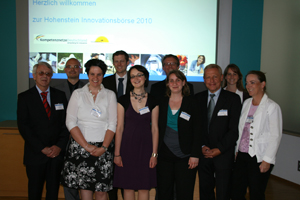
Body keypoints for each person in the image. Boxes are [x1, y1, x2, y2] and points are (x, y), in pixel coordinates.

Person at [61, 59, 117, 200]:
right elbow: (70, 122)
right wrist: (86, 146)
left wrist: (103, 148)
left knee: (101, 191)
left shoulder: (110, 95)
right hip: (80, 148)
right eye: (92, 74)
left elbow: (112, 123)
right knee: (85, 191)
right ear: (87, 74)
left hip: (103, 149)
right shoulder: (78, 94)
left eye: (99, 74)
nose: (95, 78)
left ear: (103, 75)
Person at [17, 62, 69, 200]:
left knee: (53, 192)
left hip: (56, 154)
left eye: (48, 73)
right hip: (35, 154)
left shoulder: (60, 96)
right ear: (34, 76)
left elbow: (66, 124)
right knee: (35, 191)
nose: (44, 76)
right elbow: (24, 127)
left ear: (51, 76)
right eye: (41, 73)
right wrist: (42, 148)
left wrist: (59, 146)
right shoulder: (24, 97)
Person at [231, 71, 282, 200]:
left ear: (262, 84)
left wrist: (267, 160)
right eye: (247, 83)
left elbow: (275, 136)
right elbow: (242, 129)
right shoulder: (246, 103)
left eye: (252, 82)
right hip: (242, 155)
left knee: (256, 193)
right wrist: (237, 149)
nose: (248, 86)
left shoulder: (272, 107)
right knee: (236, 191)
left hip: (259, 157)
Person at [195, 64, 242, 200]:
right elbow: (196, 128)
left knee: (223, 192)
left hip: (223, 154)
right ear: (204, 79)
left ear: (221, 78)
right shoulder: (197, 99)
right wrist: (202, 146)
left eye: (215, 76)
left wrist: (219, 149)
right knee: (205, 191)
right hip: (204, 154)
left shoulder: (233, 99)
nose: (212, 80)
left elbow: (234, 130)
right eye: (208, 77)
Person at [113, 65, 159, 200]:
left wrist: (154, 154)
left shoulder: (153, 100)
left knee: (144, 186)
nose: (136, 78)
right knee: (127, 186)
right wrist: (117, 154)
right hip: (126, 148)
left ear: (145, 77)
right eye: (132, 76)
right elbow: (119, 128)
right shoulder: (122, 100)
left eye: (139, 75)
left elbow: (155, 128)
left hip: (146, 149)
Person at [157, 70, 201, 200]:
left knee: (185, 193)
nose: (174, 83)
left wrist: (195, 154)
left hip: (186, 156)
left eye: (178, 80)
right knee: (164, 192)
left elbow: (198, 130)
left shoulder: (193, 102)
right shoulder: (161, 102)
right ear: (167, 84)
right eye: (171, 80)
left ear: (183, 82)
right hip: (164, 155)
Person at [54, 58, 85, 200]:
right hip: (63, 138)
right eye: (69, 66)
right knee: (69, 175)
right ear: (65, 69)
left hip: (85, 136)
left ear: (81, 69)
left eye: (76, 66)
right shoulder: (55, 90)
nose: (72, 69)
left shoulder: (89, 88)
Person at [102, 50, 131, 200]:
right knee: (111, 170)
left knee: (126, 169)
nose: (119, 64)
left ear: (128, 62)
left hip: (129, 133)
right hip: (109, 132)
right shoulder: (105, 82)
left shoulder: (135, 81)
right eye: (116, 61)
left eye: (122, 61)